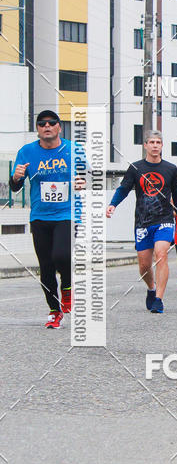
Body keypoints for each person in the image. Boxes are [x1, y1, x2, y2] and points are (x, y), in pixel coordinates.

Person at [9, 110, 84, 328]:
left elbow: (90, 177)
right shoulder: (27, 152)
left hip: (67, 214)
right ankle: (54, 311)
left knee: (61, 255)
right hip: (40, 217)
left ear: (59, 127)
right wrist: (15, 178)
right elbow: (16, 187)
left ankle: (68, 288)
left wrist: (83, 182)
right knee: (46, 266)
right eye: (42, 124)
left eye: (52, 123)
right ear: (38, 129)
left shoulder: (73, 150)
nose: (47, 126)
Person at [106, 130, 177, 313]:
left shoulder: (171, 169)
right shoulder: (135, 168)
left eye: (158, 142)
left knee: (161, 254)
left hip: (164, 219)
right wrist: (113, 204)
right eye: (152, 142)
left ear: (162, 146)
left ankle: (159, 299)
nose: (155, 145)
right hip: (143, 222)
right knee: (143, 265)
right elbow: (123, 189)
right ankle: (151, 288)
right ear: (146, 145)